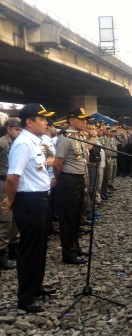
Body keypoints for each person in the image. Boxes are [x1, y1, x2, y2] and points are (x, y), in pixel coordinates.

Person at [2, 103, 55, 313]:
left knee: (40, 247)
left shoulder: (36, 141)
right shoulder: (24, 143)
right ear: (29, 122)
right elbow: (13, 177)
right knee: (30, 248)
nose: (46, 123)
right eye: (41, 119)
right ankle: (25, 297)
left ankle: (36, 287)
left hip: (40, 199)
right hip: (29, 201)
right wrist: (10, 200)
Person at [53, 107, 91, 265]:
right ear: (71, 120)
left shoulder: (79, 136)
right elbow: (57, 164)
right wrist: (60, 180)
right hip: (68, 180)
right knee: (68, 219)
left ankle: (75, 247)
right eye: (81, 119)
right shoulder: (66, 139)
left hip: (78, 179)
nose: (84, 122)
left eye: (85, 119)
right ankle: (68, 254)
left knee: (77, 217)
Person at [0, 118, 21, 270]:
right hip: (3, 182)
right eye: (16, 129)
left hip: (15, 182)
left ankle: (14, 248)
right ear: (8, 128)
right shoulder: (2, 144)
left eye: (21, 129)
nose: (19, 132)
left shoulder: (17, 143)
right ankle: (2, 253)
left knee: (15, 218)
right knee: (5, 219)